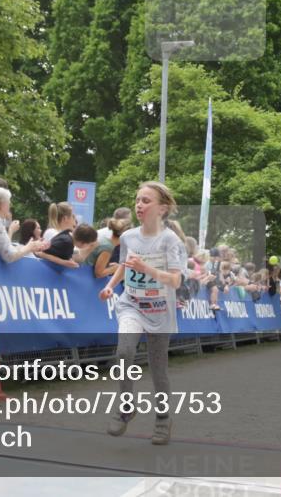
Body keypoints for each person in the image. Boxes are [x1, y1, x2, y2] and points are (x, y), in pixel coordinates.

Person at [99, 181, 186, 445]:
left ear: (162, 208)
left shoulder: (170, 240)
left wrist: (147, 269)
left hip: (160, 309)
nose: (139, 205)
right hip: (132, 304)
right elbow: (125, 265)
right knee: (124, 352)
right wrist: (110, 285)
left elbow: (175, 281)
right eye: (138, 200)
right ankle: (126, 406)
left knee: (158, 369)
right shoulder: (128, 237)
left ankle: (163, 419)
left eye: (146, 201)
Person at [0, 187, 46, 262]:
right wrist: (29, 247)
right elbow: (9, 255)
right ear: (1, 205)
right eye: (8, 204)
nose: (10, 207)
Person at [38, 201, 77, 268]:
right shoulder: (52, 233)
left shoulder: (57, 233)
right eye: (73, 217)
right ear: (65, 218)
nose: (75, 221)